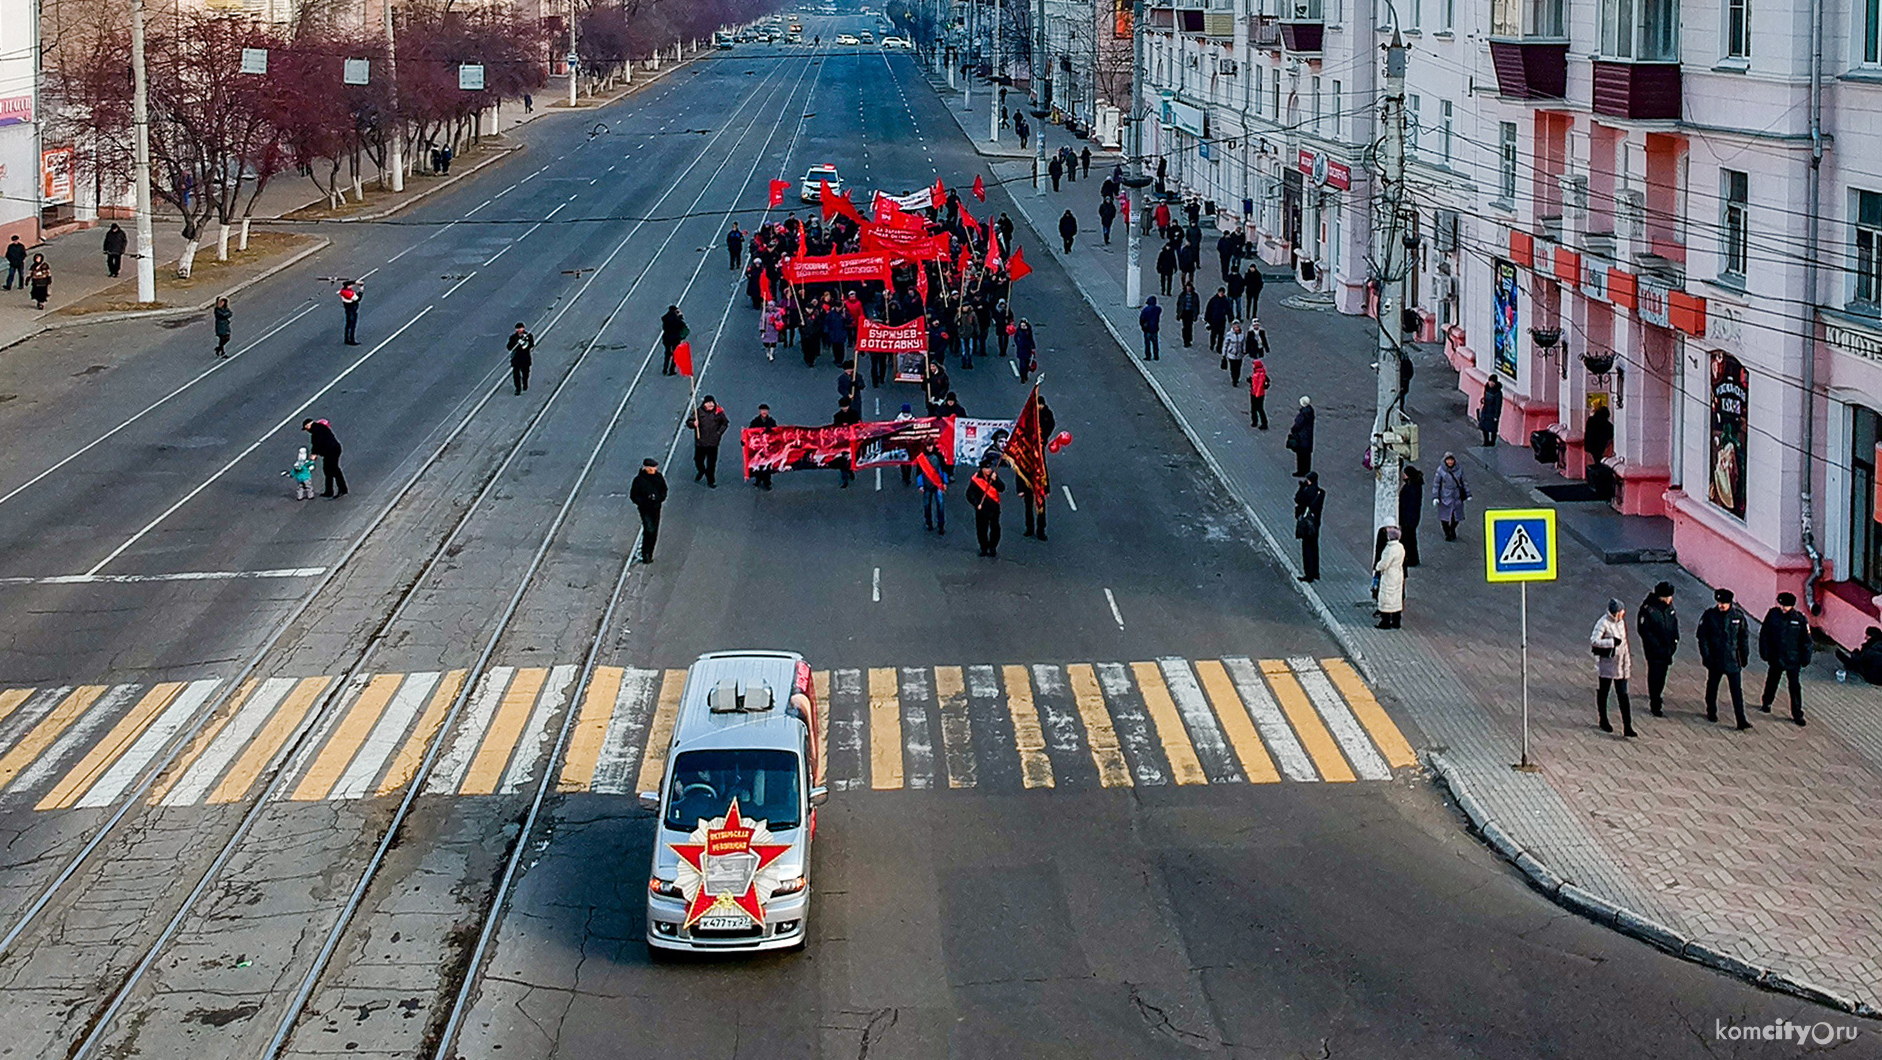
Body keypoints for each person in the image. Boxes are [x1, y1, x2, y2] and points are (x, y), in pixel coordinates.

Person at [1696, 588, 1753, 730]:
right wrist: (1706, 656)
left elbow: (1743, 638)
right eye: (1719, 602)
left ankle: (1741, 719)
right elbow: (1702, 637)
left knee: (1736, 692)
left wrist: (1744, 656)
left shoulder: (1738, 616)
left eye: (1724, 603)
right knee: (1712, 687)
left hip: (1733, 659)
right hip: (1715, 659)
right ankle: (1711, 711)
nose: (1721, 605)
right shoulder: (1710, 616)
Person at [1758, 591, 1812, 725]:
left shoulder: (1799, 619)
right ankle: (1767, 702)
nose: (1783, 608)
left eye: (1786, 606)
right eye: (1781, 605)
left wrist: (1806, 657)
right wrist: (1764, 651)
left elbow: (1807, 640)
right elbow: (1764, 634)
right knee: (1772, 681)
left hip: (1793, 659)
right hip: (1776, 656)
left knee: (1794, 687)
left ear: (1792, 606)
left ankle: (1797, 713)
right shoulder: (1773, 615)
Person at [1590, 598, 1637, 736]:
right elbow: (1594, 640)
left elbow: (1625, 644)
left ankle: (1627, 726)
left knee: (1623, 695)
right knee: (1604, 691)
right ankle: (1603, 719)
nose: (1623, 614)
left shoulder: (1621, 622)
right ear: (1615, 612)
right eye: (1621, 612)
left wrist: (1627, 662)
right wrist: (1611, 642)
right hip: (1608, 664)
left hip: (1621, 664)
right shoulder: (1603, 623)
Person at [1637, 581, 1680, 716]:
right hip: (1654, 650)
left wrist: (1674, 641)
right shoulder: (1648, 609)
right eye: (1669, 596)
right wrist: (1656, 645)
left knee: (1663, 674)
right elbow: (1644, 631)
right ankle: (1655, 702)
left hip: (1667, 648)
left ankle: (1658, 694)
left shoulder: (1669, 608)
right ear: (1663, 597)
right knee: (1655, 674)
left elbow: (1674, 624)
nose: (1671, 599)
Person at [630, 459, 668, 563]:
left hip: (656, 507)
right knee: (649, 529)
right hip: (644, 509)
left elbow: (664, 490)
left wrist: (659, 498)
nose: (653, 470)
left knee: (654, 531)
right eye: (650, 468)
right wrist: (643, 502)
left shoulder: (658, 478)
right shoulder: (639, 480)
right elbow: (633, 495)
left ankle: (649, 553)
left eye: (654, 468)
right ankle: (645, 553)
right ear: (645, 468)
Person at [688, 395, 730, 488]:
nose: (710, 405)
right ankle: (701, 470)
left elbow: (725, 423)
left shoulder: (718, 412)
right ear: (704, 404)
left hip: (713, 443)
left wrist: (719, 433)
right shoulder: (698, 411)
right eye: (708, 403)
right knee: (698, 460)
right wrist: (693, 424)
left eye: (712, 403)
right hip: (700, 442)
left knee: (711, 463)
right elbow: (689, 422)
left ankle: (711, 480)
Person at [301, 418, 347, 497]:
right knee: (328, 470)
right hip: (332, 450)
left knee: (334, 469)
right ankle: (329, 491)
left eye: (306, 428)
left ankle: (342, 489)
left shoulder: (316, 430)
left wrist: (314, 453)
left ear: (308, 425)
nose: (307, 431)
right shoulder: (320, 428)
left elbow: (317, 442)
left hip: (331, 451)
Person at [968, 465, 1004, 557]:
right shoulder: (976, 478)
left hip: (994, 507)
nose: (989, 470)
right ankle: (983, 547)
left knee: (995, 528)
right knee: (981, 529)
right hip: (982, 508)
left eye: (989, 468)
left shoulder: (994, 476)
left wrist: (995, 481)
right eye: (986, 468)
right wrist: (976, 504)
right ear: (982, 469)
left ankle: (993, 547)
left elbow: (1002, 488)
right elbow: (969, 494)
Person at [1294, 471, 1324, 582]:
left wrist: (1302, 488)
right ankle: (1316, 572)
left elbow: (1298, 499)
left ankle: (1308, 574)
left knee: (1306, 549)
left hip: (1306, 524)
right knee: (1314, 547)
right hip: (1315, 523)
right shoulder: (1320, 492)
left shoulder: (1307, 491)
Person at [1432, 451, 1469, 540]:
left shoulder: (1459, 469)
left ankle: (1452, 529)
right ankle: (1447, 533)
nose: (1450, 462)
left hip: (1456, 496)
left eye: (1451, 460)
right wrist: (1436, 497)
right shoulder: (1441, 470)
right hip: (1445, 497)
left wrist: (1467, 493)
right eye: (1448, 460)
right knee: (1444, 517)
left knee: (1456, 517)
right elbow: (1436, 484)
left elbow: (1464, 482)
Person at [1374, 527, 1406, 628]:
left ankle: (1385, 622)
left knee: (1387, 597)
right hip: (1398, 574)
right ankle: (1396, 621)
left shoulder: (1390, 549)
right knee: (1396, 597)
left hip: (1389, 575)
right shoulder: (1400, 547)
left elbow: (1385, 563)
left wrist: (1378, 567)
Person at [832, 395, 861, 487]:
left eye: (846, 406)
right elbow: (835, 428)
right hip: (842, 440)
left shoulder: (854, 414)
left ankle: (850, 470)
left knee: (850, 457)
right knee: (842, 460)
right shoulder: (837, 416)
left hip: (852, 440)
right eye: (843, 407)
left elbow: (858, 425)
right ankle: (845, 479)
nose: (844, 408)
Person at [1398, 464, 1424, 567]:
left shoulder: (1411, 488)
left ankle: (1411, 559)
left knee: (1408, 539)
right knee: (1411, 539)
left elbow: (1408, 504)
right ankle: (1412, 558)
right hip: (1411, 518)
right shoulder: (1414, 485)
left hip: (1408, 519)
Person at [748, 404, 777, 490]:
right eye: (762, 410)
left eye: (765, 410)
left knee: (767, 465)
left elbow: (776, 433)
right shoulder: (755, 422)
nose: (764, 412)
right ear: (759, 411)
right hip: (758, 447)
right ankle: (758, 479)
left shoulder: (772, 422)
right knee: (758, 464)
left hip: (768, 447)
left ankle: (767, 482)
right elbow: (750, 433)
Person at [1286, 396, 1315, 477]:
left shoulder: (1303, 414)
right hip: (1308, 437)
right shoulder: (1310, 412)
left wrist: (1293, 429)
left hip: (1301, 437)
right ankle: (1307, 470)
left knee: (1300, 455)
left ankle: (1301, 471)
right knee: (1307, 455)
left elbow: (1297, 425)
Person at [506, 322, 534, 394]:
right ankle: (518, 388)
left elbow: (531, 345)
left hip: (525, 358)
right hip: (516, 359)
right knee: (516, 374)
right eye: (518, 329)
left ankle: (525, 383)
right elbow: (509, 347)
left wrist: (525, 344)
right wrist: (515, 345)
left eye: (521, 328)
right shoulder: (513, 338)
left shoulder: (528, 336)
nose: (519, 330)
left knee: (525, 373)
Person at [1205, 286, 1232, 355]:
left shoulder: (1225, 301)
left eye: (1222, 293)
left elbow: (1229, 310)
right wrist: (1207, 319)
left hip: (1222, 320)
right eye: (1220, 293)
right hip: (1214, 320)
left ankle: (1219, 347)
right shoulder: (1213, 300)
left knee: (1221, 335)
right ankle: (1212, 344)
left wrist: (1230, 318)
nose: (1221, 294)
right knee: (1213, 334)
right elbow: (1208, 310)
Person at [660, 305, 687, 375]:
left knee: (667, 353)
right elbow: (683, 326)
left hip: (666, 338)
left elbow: (664, 328)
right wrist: (680, 317)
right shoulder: (677, 319)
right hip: (675, 338)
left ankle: (665, 369)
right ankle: (672, 370)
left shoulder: (665, 318)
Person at [1478, 375, 1504, 447]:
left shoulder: (1498, 393)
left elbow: (1498, 405)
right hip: (1486, 410)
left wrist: (1496, 415)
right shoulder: (1487, 388)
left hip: (1492, 412)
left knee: (1493, 429)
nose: (1491, 383)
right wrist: (1483, 400)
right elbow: (1485, 396)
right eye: (1490, 381)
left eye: (1492, 382)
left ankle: (1492, 442)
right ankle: (1486, 441)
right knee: (1484, 427)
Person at [1247, 350, 1270, 429]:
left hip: (1254, 393)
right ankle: (1264, 423)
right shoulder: (1264, 375)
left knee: (1254, 408)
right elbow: (1267, 384)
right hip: (1261, 394)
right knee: (1260, 409)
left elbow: (1252, 383)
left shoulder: (1255, 375)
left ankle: (1255, 421)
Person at [1175, 282, 1200, 347]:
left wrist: (1196, 314)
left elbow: (1197, 305)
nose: (1188, 289)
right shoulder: (1182, 295)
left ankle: (1188, 339)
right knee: (1185, 326)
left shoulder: (1194, 295)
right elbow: (1179, 304)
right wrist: (1178, 313)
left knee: (1189, 326)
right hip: (1184, 312)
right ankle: (1186, 340)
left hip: (1190, 312)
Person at [1222, 320, 1246, 387]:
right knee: (1233, 368)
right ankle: (1234, 380)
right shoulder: (1229, 334)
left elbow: (1243, 343)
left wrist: (1244, 350)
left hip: (1239, 354)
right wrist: (1224, 354)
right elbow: (1225, 344)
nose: (1236, 328)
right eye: (1235, 326)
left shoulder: (1242, 334)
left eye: (1237, 326)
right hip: (1231, 354)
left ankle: (1237, 378)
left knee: (1238, 367)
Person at [337, 279, 362, 344]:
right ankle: (351, 340)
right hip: (351, 308)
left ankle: (347, 339)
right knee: (352, 324)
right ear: (348, 286)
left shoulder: (343, 290)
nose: (352, 286)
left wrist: (355, 282)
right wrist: (361, 291)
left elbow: (346, 282)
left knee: (348, 324)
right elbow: (357, 299)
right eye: (350, 285)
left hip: (348, 308)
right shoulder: (349, 293)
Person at [761, 299, 783, 364]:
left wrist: (777, 323)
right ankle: (767, 351)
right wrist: (762, 329)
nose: (770, 307)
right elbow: (762, 322)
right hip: (767, 330)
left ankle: (771, 353)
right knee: (766, 343)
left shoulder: (777, 313)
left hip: (774, 330)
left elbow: (780, 320)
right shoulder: (765, 313)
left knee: (773, 343)